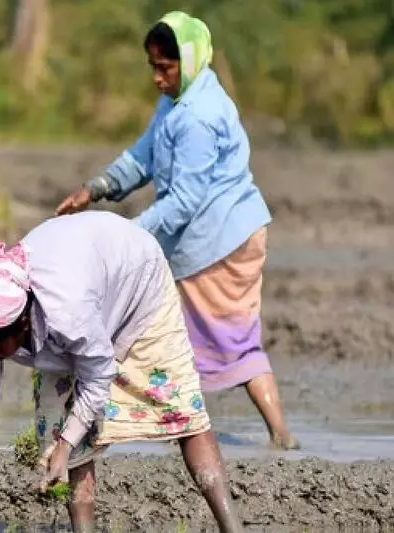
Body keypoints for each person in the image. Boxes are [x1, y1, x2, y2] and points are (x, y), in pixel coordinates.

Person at [55, 11, 298, 450]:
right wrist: (95, 189)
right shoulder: (176, 102)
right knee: (182, 331)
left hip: (222, 243)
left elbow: (185, 201)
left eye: (165, 67)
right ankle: (172, 426)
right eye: (153, 66)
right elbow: (142, 157)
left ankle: (274, 437)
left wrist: (126, 236)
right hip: (206, 241)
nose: (157, 78)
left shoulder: (200, 115)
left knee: (222, 336)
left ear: (188, 61)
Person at [0, 212, 244, 533]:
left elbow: (99, 372)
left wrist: (65, 444)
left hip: (137, 283)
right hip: (81, 290)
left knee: (181, 409)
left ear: (22, 323)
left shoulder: (67, 310)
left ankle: (232, 527)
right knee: (63, 427)